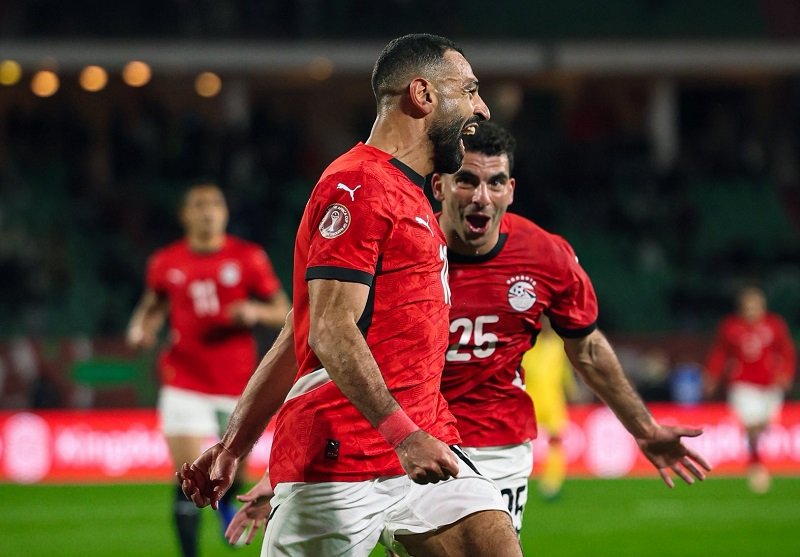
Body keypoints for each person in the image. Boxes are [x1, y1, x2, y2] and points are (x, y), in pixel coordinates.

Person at [222, 122, 713, 549]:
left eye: (495, 182)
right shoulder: (399, 242)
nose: (481, 196)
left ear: (511, 190)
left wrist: (643, 428)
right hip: (399, 439)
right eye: (467, 181)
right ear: (438, 185)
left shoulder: (546, 256)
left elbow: (586, 348)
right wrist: (287, 468)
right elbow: (317, 338)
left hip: (496, 446)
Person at [178, 34, 525, 557]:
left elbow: (298, 332)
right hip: (341, 460)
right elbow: (327, 330)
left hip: (425, 444)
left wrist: (233, 446)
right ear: (423, 95)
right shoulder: (359, 186)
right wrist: (403, 435)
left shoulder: (408, 189)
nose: (482, 108)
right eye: (470, 90)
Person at [126, 183, 290, 557]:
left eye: (215, 204)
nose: (208, 211)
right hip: (184, 381)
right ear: (185, 215)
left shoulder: (248, 258)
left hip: (238, 385)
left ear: (225, 213)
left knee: (235, 471)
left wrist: (254, 311)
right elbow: (152, 306)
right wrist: (140, 329)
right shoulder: (166, 261)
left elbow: (284, 310)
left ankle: (227, 502)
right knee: (187, 475)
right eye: (199, 204)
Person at [704, 285, 796, 493]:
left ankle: (756, 459)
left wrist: (786, 373)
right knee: (750, 425)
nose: (752, 310)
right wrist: (712, 375)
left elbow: (786, 351)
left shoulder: (774, 325)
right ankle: (756, 465)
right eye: (748, 306)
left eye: (756, 306)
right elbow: (720, 353)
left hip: (769, 385)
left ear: (763, 306)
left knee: (766, 424)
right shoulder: (730, 327)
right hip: (742, 384)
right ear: (741, 307)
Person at [521, 316, 576, 500]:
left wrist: (572, 391)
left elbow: (564, 372)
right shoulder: (528, 345)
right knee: (520, 442)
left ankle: (551, 484)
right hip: (530, 400)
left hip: (553, 401)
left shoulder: (558, 345)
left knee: (556, 441)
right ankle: (518, 478)